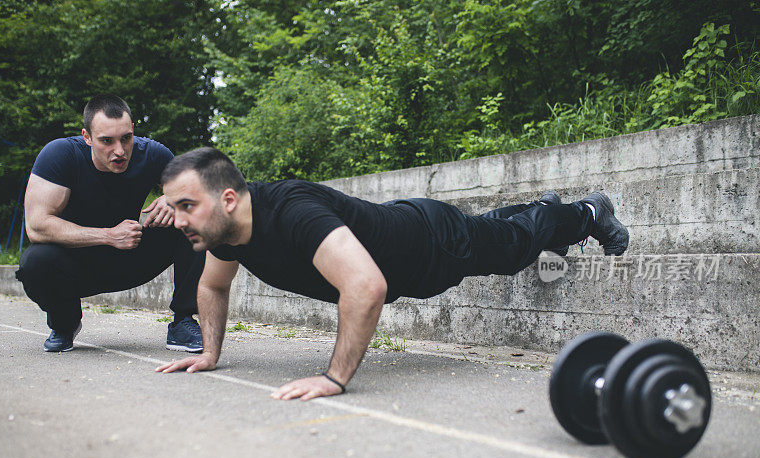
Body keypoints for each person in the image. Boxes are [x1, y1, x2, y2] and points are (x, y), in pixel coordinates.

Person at [155, 147, 629, 400]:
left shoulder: (292, 212)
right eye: (174, 207)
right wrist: (210, 353)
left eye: (187, 206)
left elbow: (365, 286)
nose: (178, 220)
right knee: (502, 235)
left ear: (229, 200)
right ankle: (544, 212)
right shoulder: (228, 232)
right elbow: (212, 285)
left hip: (433, 244)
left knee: (513, 249)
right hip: (409, 231)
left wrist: (335, 379)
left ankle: (587, 212)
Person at [17, 94, 205, 353]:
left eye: (126, 138)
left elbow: (200, 190)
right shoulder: (60, 155)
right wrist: (107, 235)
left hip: (129, 257)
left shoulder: (152, 154)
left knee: (195, 215)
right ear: (87, 137)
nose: (119, 150)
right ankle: (64, 323)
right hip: (74, 265)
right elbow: (37, 226)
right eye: (107, 141)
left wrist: (175, 198)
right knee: (34, 262)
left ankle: (183, 322)